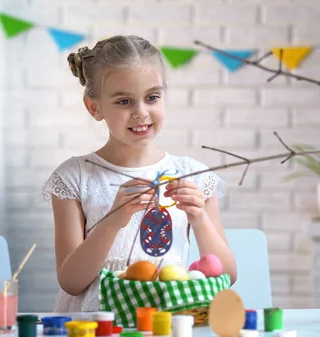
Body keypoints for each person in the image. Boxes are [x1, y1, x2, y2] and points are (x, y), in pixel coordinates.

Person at [41, 35, 237, 312]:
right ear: (94, 107)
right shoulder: (74, 177)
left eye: (152, 97)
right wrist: (112, 221)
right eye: (124, 101)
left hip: (166, 321)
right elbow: (71, 282)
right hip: (95, 324)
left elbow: (227, 277)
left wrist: (199, 217)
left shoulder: (193, 175)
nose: (141, 112)